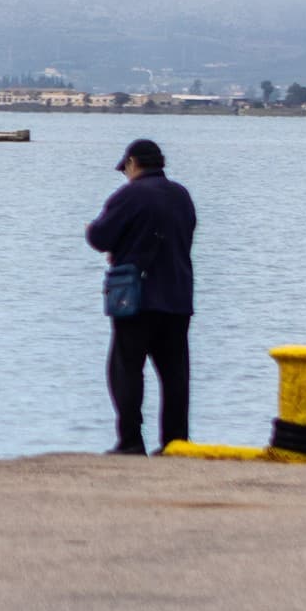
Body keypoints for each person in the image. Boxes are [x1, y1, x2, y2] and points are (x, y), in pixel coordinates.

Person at [85, 137, 196, 455]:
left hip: (135, 298)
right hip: (177, 296)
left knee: (126, 368)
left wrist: (94, 231)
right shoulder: (181, 195)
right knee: (175, 373)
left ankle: (131, 441)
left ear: (132, 163)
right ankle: (176, 443)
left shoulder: (130, 194)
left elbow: (100, 236)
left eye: (126, 168)